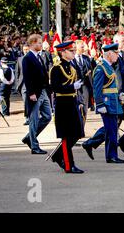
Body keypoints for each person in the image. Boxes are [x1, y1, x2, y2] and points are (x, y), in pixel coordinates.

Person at [83, 43, 124, 163]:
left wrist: (119, 95)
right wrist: (100, 104)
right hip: (107, 103)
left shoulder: (109, 66)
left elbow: (112, 85)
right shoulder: (101, 68)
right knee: (111, 130)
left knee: (111, 129)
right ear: (109, 54)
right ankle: (111, 155)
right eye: (116, 53)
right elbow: (97, 88)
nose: (117, 56)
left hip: (113, 101)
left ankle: (109, 154)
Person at [49, 41, 85, 173]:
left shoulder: (73, 67)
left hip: (72, 101)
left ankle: (58, 156)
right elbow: (55, 87)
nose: (74, 53)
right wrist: (71, 86)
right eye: (71, 51)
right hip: (62, 103)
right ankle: (69, 165)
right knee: (66, 135)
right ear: (63, 52)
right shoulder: (56, 69)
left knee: (76, 133)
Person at [21, 34, 52, 155]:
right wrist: (31, 93)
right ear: (32, 44)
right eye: (39, 43)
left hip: (43, 91)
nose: (41, 45)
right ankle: (34, 146)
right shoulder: (27, 58)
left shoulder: (40, 56)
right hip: (35, 93)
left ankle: (29, 137)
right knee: (33, 120)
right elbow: (27, 77)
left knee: (47, 116)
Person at [71, 39, 94, 120]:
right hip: (74, 87)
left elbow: (91, 70)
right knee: (75, 109)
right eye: (82, 46)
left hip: (85, 87)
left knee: (84, 109)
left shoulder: (86, 58)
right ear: (76, 47)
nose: (83, 48)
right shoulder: (71, 58)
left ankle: (82, 128)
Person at [15, 44, 30, 125]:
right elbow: (17, 72)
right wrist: (17, 84)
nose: (26, 51)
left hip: (32, 84)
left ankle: (34, 116)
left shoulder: (33, 58)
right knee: (25, 102)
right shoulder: (20, 59)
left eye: (27, 49)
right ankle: (27, 118)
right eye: (24, 49)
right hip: (23, 84)